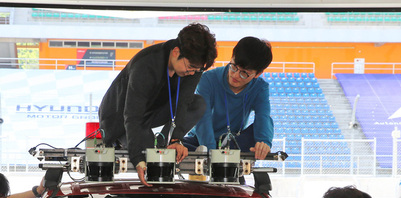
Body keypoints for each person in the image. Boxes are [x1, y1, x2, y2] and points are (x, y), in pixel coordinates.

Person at [98, 23, 217, 185]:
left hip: (150, 112)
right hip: (120, 118)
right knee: (149, 157)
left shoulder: (193, 66)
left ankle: (164, 142)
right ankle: (124, 141)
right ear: (176, 52)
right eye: (190, 68)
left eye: (197, 71)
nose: (192, 73)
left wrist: (176, 140)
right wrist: (137, 158)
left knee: (198, 103)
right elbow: (132, 115)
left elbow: (184, 103)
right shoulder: (146, 64)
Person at [183, 36, 274, 160]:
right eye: (234, 66)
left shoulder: (260, 88)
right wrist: (212, 153)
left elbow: (263, 116)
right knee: (180, 146)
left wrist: (264, 142)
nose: (236, 75)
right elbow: (203, 119)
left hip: (233, 142)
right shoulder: (208, 79)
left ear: (257, 74)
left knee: (260, 133)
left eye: (244, 73)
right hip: (200, 141)